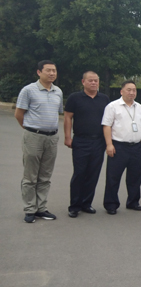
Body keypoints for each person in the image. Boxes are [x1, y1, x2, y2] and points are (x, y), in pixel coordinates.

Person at [15, 60, 63, 223]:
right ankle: (30, 209)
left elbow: (57, 113)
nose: (52, 73)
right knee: (30, 176)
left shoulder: (58, 91)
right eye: (48, 70)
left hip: (52, 137)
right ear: (39, 72)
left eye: (54, 70)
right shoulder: (28, 90)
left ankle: (41, 208)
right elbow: (19, 114)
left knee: (45, 175)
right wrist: (30, 129)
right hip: (33, 137)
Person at [64, 71, 110, 218]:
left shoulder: (104, 99)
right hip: (81, 141)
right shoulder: (75, 98)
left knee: (93, 174)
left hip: (99, 141)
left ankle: (86, 203)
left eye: (96, 80)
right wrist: (67, 137)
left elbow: (109, 121)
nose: (93, 83)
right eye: (90, 80)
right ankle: (74, 206)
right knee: (79, 174)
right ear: (83, 82)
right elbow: (67, 117)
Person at [101, 80, 141, 214]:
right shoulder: (113, 106)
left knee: (135, 177)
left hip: (136, 147)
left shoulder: (139, 107)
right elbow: (107, 126)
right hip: (119, 146)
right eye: (129, 90)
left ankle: (133, 202)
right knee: (113, 177)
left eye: (134, 90)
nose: (132, 92)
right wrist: (109, 144)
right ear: (122, 91)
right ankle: (111, 204)